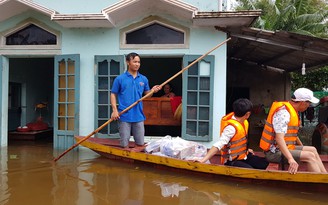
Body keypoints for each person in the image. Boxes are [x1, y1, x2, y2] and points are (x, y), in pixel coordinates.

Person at [260, 88, 327, 174]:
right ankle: (319, 183)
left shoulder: (293, 110)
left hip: (285, 147)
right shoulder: (283, 113)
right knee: (310, 156)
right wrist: (290, 159)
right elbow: (279, 138)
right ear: (303, 102)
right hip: (273, 152)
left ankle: (325, 176)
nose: (308, 106)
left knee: (312, 150)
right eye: (309, 103)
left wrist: (302, 149)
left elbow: (292, 134)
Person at [198, 98, 269, 169]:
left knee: (264, 163)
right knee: (250, 171)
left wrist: (246, 150)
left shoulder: (244, 122)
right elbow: (219, 144)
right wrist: (203, 160)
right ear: (247, 114)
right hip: (232, 161)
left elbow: (240, 142)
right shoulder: (231, 128)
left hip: (243, 156)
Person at [110, 52, 161, 148]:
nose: (137, 64)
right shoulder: (120, 79)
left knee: (140, 144)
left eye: (138, 62)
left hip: (138, 116)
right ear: (128, 62)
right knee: (124, 144)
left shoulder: (143, 79)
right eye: (134, 62)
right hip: (124, 115)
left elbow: (147, 95)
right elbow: (113, 94)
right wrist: (114, 110)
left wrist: (153, 91)